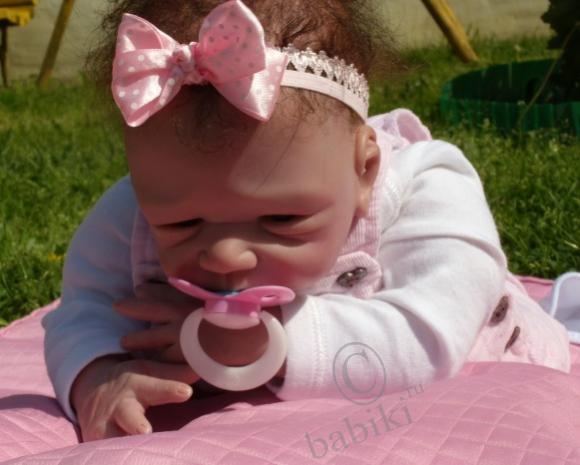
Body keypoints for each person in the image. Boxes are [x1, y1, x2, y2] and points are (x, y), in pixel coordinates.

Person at [42, 0, 572, 442]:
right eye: (181, 224)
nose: (226, 255)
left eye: (281, 218)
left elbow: (430, 336)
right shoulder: (135, 206)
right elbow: (84, 308)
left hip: (462, 380)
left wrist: (261, 346)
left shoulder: (425, 185)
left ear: (364, 168)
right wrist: (96, 375)